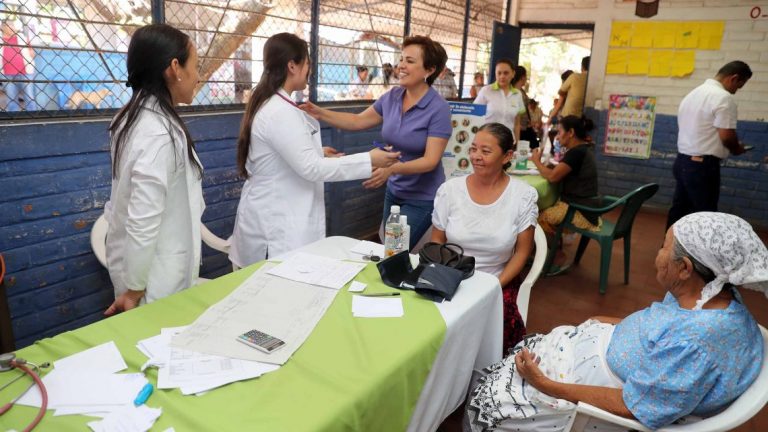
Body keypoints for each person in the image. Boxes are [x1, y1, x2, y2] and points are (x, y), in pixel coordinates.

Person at [465, 211, 766, 432]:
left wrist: (545, 384)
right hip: (585, 354)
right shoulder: (711, 293)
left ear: (685, 268)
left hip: (584, 397)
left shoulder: (697, 343)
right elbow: (663, 327)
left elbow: (633, 405)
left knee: (491, 405)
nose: (658, 253)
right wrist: (607, 323)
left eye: (663, 246)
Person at [229, 34, 399, 268]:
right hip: (274, 230)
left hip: (278, 218)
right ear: (292, 66)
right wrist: (369, 159)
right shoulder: (279, 111)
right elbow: (311, 168)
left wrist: (317, 151)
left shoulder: (277, 104)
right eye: (307, 63)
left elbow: (283, 153)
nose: (310, 69)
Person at [301, 35, 452, 250]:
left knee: (393, 248)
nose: (401, 66)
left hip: (422, 197)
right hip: (394, 190)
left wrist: (391, 169)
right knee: (388, 248)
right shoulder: (393, 96)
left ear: (429, 70)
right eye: (401, 59)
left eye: (410, 61)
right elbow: (357, 121)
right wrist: (320, 112)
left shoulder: (438, 108)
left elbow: (430, 160)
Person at [104, 24, 205, 315]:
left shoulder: (133, 116)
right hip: (154, 283)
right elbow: (143, 218)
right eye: (195, 66)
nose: (198, 76)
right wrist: (134, 288)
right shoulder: (157, 133)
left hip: (148, 271)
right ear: (174, 68)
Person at [432, 123, 538, 353]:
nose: (476, 156)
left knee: (490, 328)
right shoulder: (450, 191)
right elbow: (437, 240)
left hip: (497, 279)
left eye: (485, 151)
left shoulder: (522, 196)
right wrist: (444, 275)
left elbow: (523, 252)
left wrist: (494, 286)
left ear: (507, 156)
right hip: (452, 276)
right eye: (473, 149)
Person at [665, 61, 752, 229]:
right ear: (734, 78)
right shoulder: (723, 98)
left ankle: (669, 244)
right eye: (739, 86)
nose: (736, 91)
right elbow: (727, 137)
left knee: (679, 209)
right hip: (702, 166)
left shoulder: (693, 94)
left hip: (682, 161)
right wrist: (737, 148)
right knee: (706, 215)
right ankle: (702, 247)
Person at [531, 115, 598, 270]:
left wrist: (536, 161)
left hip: (579, 208)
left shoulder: (576, 153)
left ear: (571, 133)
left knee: (535, 217)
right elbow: (563, 170)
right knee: (541, 209)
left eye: (560, 132)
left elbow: (553, 177)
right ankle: (549, 249)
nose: (557, 136)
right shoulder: (583, 149)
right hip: (587, 204)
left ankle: (557, 255)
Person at [474, 59, 525, 143]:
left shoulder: (517, 94)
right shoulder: (486, 91)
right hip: (487, 141)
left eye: (506, 73)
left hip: (509, 142)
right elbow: (475, 116)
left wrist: (517, 144)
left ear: (513, 74)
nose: (502, 76)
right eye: (499, 73)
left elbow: (517, 123)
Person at [1, 20, 37, 111]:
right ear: (2, 28)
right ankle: (13, 116)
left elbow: (32, 51)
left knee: (29, 96)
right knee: (11, 98)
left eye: (13, 25)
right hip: (7, 73)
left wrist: (31, 53)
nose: (12, 27)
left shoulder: (22, 37)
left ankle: (32, 115)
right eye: (9, 25)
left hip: (25, 72)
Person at [514, 66, 539, 149]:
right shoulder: (516, 92)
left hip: (526, 126)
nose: (526, 79)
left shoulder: (521, 91)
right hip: (521, 128)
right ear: (522, 77)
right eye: (526, 76)